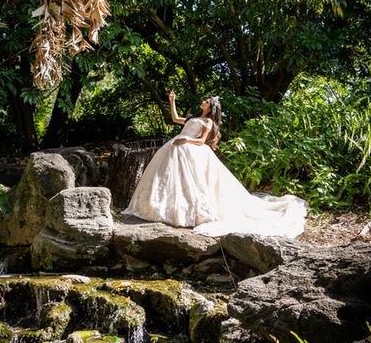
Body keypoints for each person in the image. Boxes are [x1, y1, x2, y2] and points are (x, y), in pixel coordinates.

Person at [122, 90, 308, 238]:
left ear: (211, 107)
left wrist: (185, 140)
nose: (203, 102)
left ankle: (187, 212)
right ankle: (162, 207)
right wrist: (172, 101)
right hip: (175, 147)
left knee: (190, 181)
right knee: (169, 178)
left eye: (206, 102)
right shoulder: (193, 118)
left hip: (188, 148)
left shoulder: (208, 122)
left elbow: (201, 141)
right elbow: (175, 119)